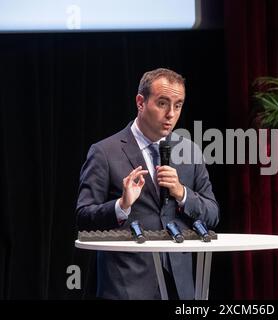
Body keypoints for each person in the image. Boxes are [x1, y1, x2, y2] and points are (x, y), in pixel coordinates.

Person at [76, 68, 220, 300]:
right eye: (162, 103)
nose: (171, 114)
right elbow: (83, 219)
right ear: (140, 102)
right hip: (127, 286)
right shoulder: (104, 152)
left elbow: (212, 214)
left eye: (178, 105)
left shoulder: (190, 152)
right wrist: (121, 206)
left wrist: (182, 193)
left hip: (180, 287)